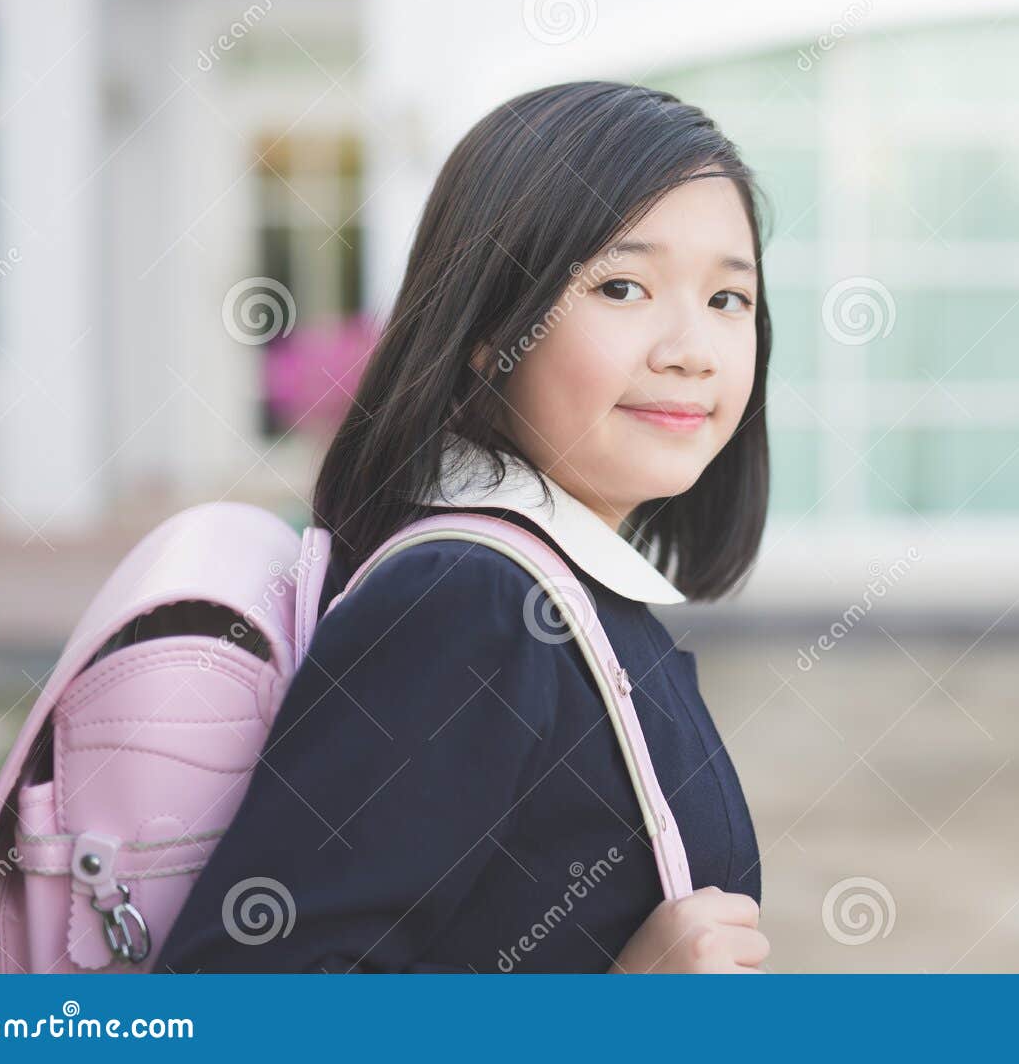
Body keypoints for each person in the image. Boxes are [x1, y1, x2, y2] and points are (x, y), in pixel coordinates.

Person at [155, 80, 772, 973]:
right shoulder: (467, 602)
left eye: (728, 299)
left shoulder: (570, 585)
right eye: (624, 285)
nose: (691, 349)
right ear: (490, 326)